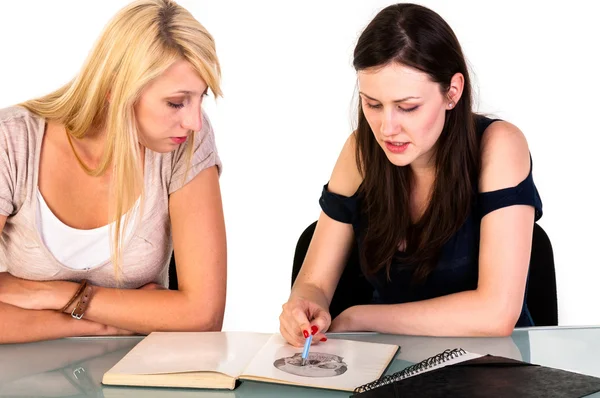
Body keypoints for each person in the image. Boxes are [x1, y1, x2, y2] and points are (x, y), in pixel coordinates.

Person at [279, 3, 543, 346]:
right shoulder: (360, 151)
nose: (387, 128)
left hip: (493, 369)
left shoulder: (499, 146)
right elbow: (314, 282)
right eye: (372, 104)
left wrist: (358, 317)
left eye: (408, 107)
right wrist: (304, 306)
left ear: (452, 91)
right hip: (388, 361)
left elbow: (496, 313)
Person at [0, 0, 226, 343]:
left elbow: (203, 315)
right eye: (176, 102)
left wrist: (55, 295)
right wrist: (105, 323)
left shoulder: (186, 141)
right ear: (117, 90)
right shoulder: (13, 141)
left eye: (201, 98)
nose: (194, 121)